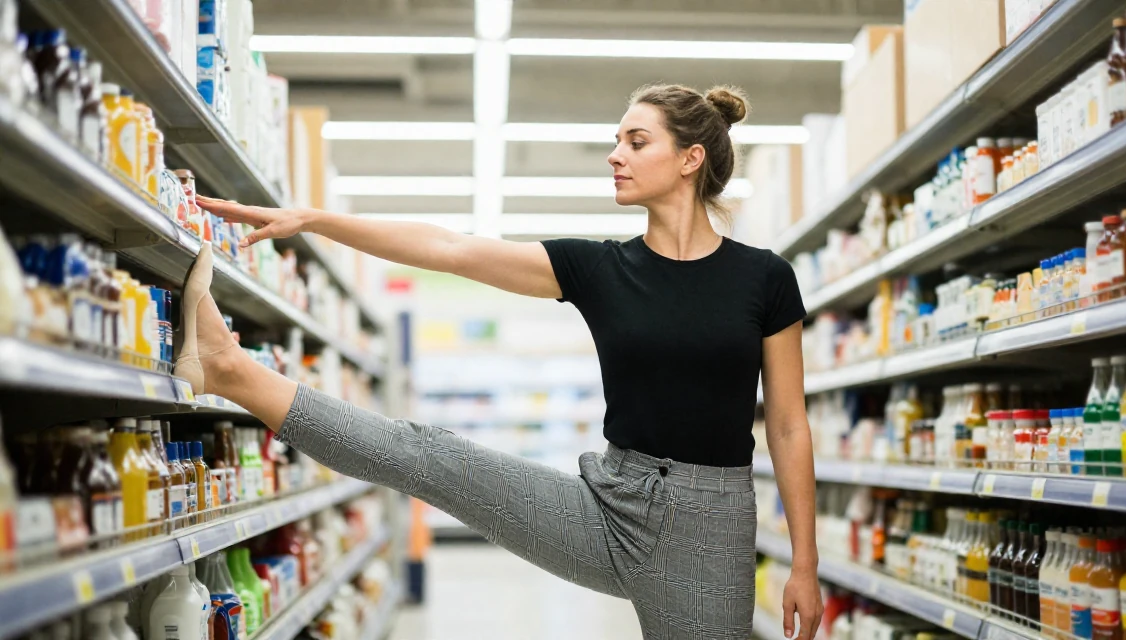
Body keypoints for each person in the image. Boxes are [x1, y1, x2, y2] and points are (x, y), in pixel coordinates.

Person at [187, 83, 820, 640]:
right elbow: (450, 248)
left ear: (690, 158)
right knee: (427, 454)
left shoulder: (763, 279)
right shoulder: (599, 268)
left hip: (712, 531)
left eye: (635, 140)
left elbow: (789, 426)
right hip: (609, 508)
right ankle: (231, 371)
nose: (614, 155)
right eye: (615, 140)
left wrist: (804, 563)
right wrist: (314, 220)